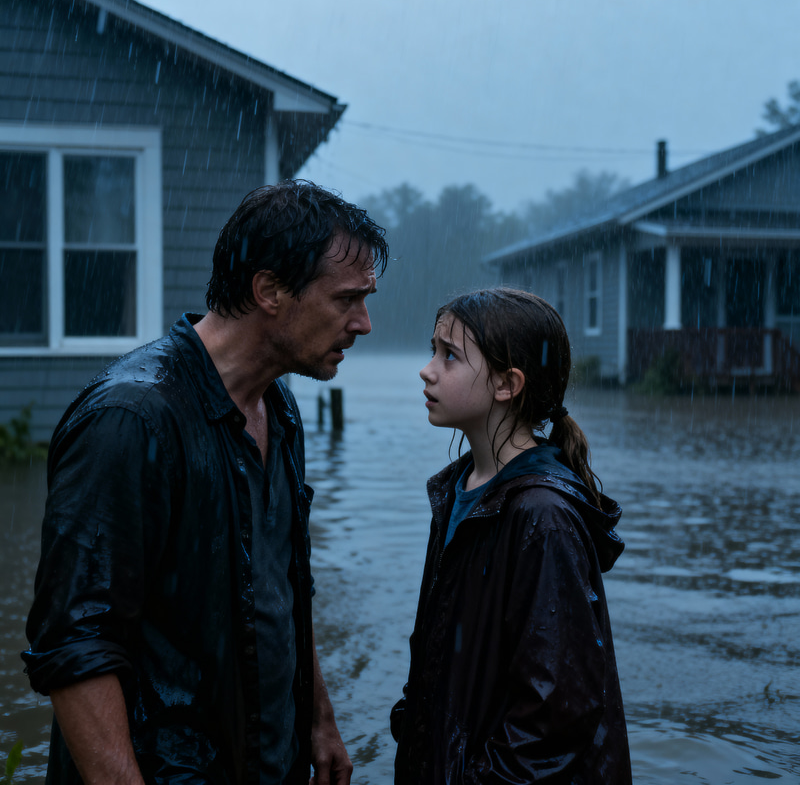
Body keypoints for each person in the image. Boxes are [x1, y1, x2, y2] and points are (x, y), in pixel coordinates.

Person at [23, 180, 389, 785]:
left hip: (269, 761)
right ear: (269, 290)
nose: (365, 323)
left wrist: (320, 720)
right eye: (347, 299)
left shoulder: (280, 408)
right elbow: (74, 642)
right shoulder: (129, 420)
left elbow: (284, 585)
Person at [391, 287, 632, 784]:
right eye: (433, 350)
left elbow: (554, 716)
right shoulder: (458, 490)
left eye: (449, 356)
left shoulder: (543, 517)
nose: (427, 370)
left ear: (507, 384)